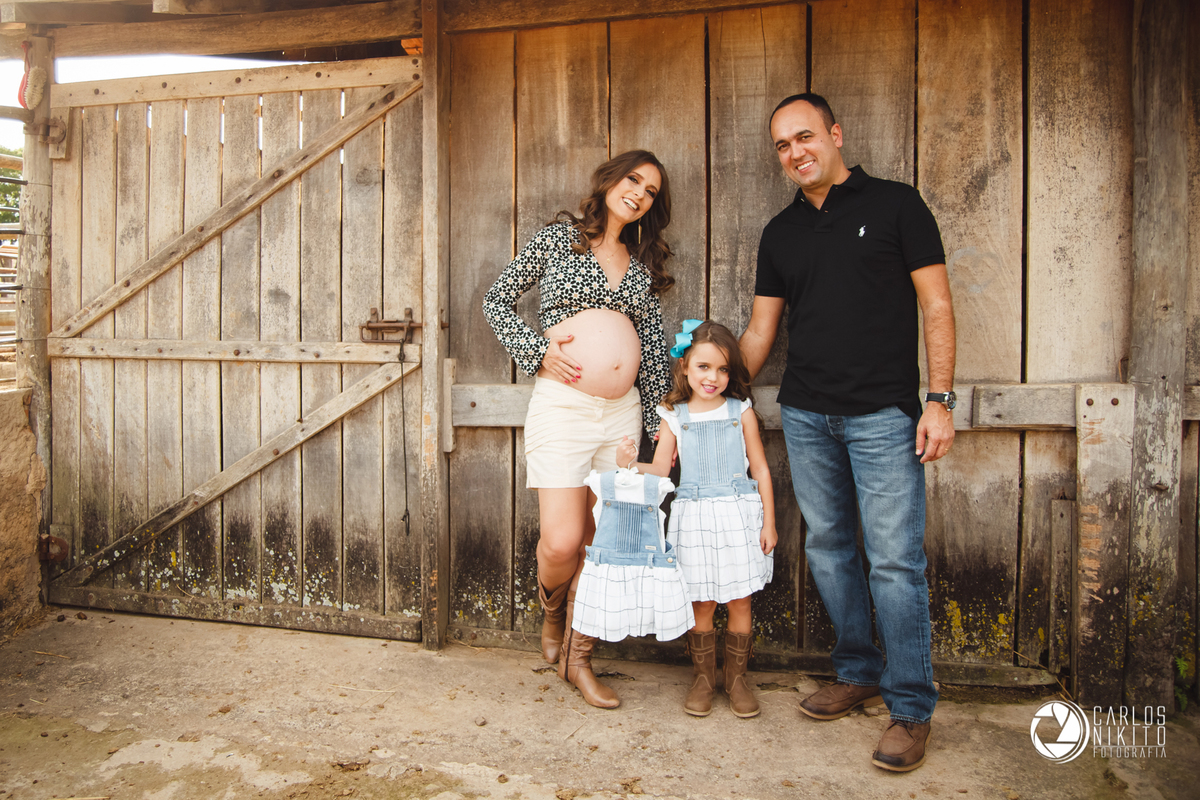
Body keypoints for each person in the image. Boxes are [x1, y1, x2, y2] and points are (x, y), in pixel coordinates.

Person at [740, 94, 955, 771]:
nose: (795, 152)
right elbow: (761, 331)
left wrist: (939, 400)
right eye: (782, 145)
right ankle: (858, 671)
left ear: (834, 134)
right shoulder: (780, 232)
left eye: (804, 136)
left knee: (894, 562)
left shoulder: (896, 205)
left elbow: (937, 303)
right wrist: (704, 391)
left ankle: (911, 707)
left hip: (884, 416)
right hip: (807, 415)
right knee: (829, 549)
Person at [482, 150, 674, 709]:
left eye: (651, 191)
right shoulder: (559, 240)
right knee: (563, 541)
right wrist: (536, 351)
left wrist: (659, 427)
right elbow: (497, 300)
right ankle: (552, 610)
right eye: (633, 180)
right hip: (564, 407)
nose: (639, 194)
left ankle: (576, 655)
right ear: (610, 181)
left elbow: (652, 352)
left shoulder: (640, 263)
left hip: (622, 416)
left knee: (601, 542)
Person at [619, 320, 777, 718]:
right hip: (694, 517)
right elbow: (661, 468)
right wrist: (628, 464)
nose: (713, 377)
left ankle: (737, 680)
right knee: (702, 602)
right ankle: (704, 678)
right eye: (704, 367)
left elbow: (760, 469)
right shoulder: (675, 415)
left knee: (740, 600)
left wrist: (769, 523)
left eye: (723, 369)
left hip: (739, 515)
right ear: (685, 366)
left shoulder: (740, 411)